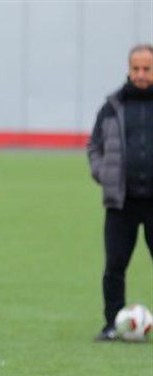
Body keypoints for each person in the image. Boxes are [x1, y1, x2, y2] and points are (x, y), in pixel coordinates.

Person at [88, 44, 153, 341]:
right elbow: (94, 146)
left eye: (147, 69)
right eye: (136, 68)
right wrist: (103, 173)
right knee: (115, 265)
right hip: (121, 202)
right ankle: (112, 324)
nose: (141, 74)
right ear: (128, 69)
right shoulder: (112, 106)